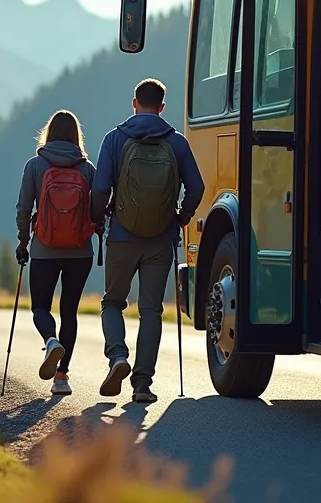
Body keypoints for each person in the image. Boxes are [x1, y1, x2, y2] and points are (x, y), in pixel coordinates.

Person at [91, 78, 204, 403]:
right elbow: (197, 188)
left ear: (134, 103)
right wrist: (181, 216)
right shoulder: (177, 143)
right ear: (162, 107)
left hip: (122, 237)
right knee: (151, 310)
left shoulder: (115, 139)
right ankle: (142, 385)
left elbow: (100, 189)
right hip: (161, 239)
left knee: (112, 302)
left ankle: (117, 357)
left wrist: (98, 220)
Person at [15, 109, 102, 396]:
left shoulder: (35, 166)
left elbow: (24, 209)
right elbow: (98, 204)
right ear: (77, 134)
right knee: (70, 311)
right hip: (80, 251)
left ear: (49, 133)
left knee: (41, 306)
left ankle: (51, 341)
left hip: (44, 248)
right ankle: (62, 377)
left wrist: (23, 241)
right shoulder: (87, 169)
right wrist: (96, 227)